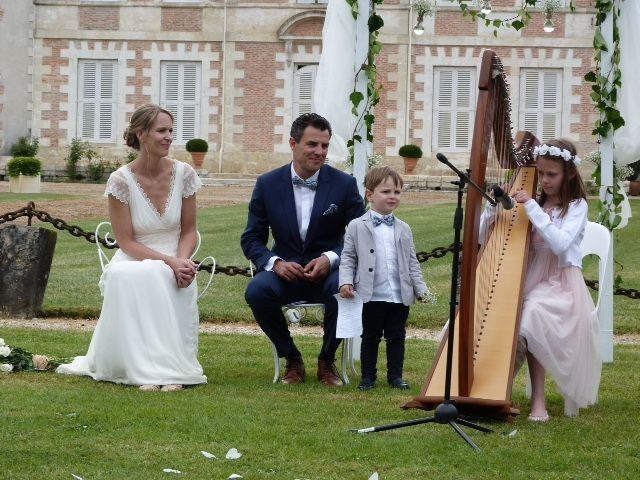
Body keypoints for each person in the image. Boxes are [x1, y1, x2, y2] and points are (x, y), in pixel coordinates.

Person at [57, 104, 207, 391]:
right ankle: (149, 370)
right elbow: (125, 241)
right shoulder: (120, 181)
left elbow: (189, 230)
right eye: (161, 131)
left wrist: (182, 261)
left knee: (159, 274)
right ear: (141, 134)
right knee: (138, 274)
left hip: (177, 255)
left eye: (170, 131)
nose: (168, 137)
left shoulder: (185, 174)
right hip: (135, 255)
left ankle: (170, 368)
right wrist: (167, 263)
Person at [479, 138, 601, 420]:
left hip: (561, 286)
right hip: (528, 281)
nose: (544, 180)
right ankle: (487, 391)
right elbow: (481, 236)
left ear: (569, 173)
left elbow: (560, 244)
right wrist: (491, 207)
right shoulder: (528, 202)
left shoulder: (576, 207)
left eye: (551, 175)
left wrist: (533, 208)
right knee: (485, 314)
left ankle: (538, 401)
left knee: (532, 316)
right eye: (541, 173)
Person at [241, 113, 365, 387]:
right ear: (293, 144)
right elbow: (251, 239)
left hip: (329, 273)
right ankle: (292, 358)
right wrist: (275, 263)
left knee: (345, 290)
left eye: (324, 145)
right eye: (312, 144)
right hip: (286, 273)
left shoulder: (344, 185)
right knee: (257, 291)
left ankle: (326, 360)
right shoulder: (268, 184)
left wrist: (330, 258)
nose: (320, 152)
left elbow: (361, 236)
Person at [338, 166, 433, 391]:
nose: (392, 196)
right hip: (370, 294)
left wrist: (420, 288)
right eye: (386, 191)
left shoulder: (404, 228)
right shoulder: (356, 226)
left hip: (398, 294)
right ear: (369, 195)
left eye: (397, 192)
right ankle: (368, 377)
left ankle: (395, 377)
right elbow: (348, 258)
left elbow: (412, 262)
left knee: (396, 336)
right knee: (370, 336)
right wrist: (345, 281)